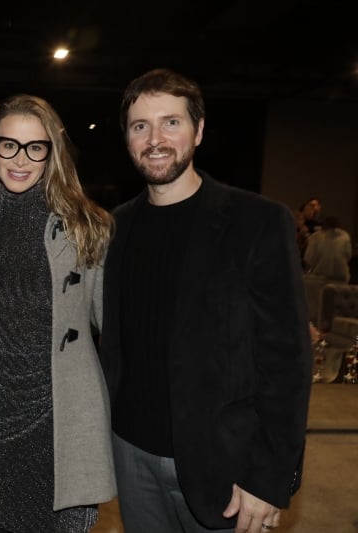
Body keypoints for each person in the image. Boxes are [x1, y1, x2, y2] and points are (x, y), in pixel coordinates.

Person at [100, 68, 311, 533]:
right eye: (140, 126)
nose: (155, 138)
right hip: (131, 456)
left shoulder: (258, 222)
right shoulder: (113, 229)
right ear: (128, 140)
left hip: (227, 468)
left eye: (170, 122)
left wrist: (270, 477)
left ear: (198, 130)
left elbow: (288, 360)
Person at [0, 94, 116, 532]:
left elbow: (117, 332)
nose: (20, 159)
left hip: (60, 427)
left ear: (51, 153)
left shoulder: (87, 226)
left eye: (35, 147)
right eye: (9, 145)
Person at [304, 215, 353, 283]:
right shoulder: (345, 235)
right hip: (342, 275)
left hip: (320, 276)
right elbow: (348, 255)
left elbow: (309, 258)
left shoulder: (315, 237)